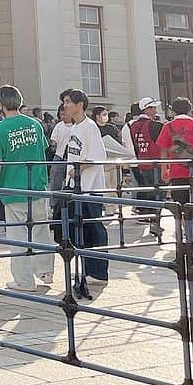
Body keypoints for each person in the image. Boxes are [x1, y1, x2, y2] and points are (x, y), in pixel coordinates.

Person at [0, 84, 53, 292]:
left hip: (13, 188)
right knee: (41, 230)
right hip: (38, 185)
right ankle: (46, 271)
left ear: (1, 105)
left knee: (18, 236)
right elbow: (44, 149)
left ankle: (24, 281)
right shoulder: (35, 124)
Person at [60, 88, 109, 293]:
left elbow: (98, 156)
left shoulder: (90, 127)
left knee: (93, 228)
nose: (65, 105)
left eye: (69, 101)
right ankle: (87, 267)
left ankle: (98, 271)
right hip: (77, 187)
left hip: (90, 186)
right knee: (79, 229)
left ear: (80, 104)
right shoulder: (75, 128)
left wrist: (78, 169)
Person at [129, 97, 165, 216]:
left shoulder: (133, 126)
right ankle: (155, 221)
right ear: (146, 109)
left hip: (143, 163)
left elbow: (136, 146)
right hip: (156, 164)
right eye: (153, 108)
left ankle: (151, 218)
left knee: (149, 192)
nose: (155, 111)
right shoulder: (156, 125)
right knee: (159, 194)